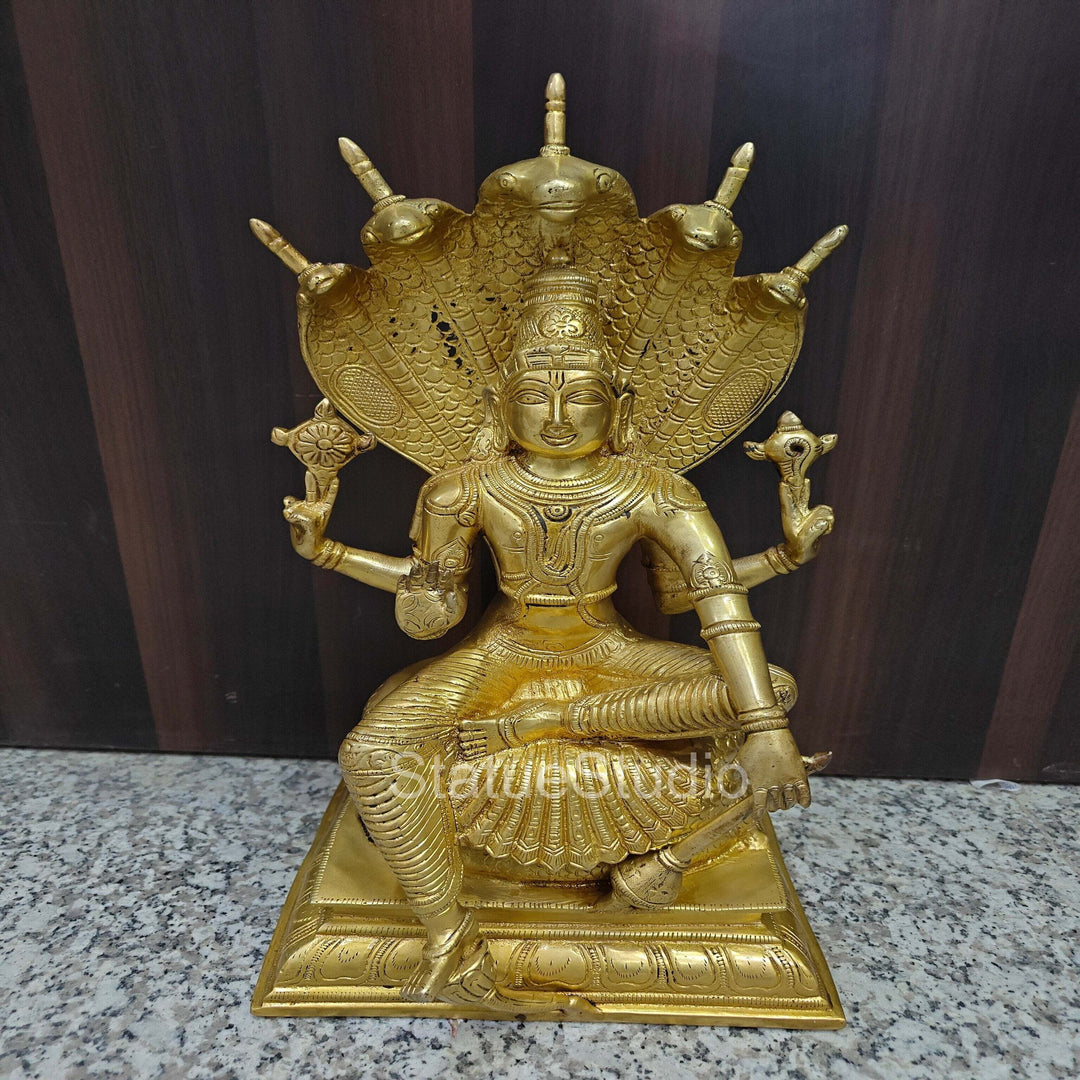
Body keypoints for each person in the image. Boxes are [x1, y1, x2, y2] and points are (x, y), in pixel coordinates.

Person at [282, 258, 814, 1011]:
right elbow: (433, 612)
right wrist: (331, 552)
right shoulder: (463, 487)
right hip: (503, 653)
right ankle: (449, 935)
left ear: (620, 408)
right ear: (500, 405)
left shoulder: (656, 489)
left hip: (610, 653)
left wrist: (765, 723)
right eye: (535, 394)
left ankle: (556, 722)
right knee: (372, 750)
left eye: (582, 396)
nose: (557, 415)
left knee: (771, 690)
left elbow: (705, 598)